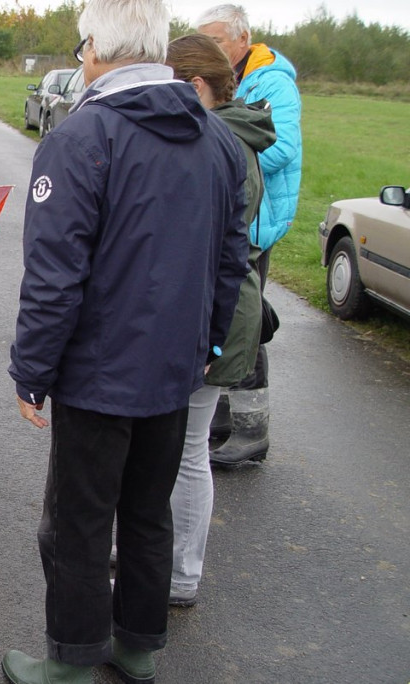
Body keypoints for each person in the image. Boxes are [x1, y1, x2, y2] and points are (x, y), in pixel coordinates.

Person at [2, 0, 250, 680]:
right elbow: (230, 262)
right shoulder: (218, 141)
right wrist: (208, 345)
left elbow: (55, 276)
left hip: (98, 375)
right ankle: (138, 645)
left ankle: (74, 662)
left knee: (80, 521)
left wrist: (32, 371)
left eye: (83, 47)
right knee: (147, 512)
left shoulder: (83, 139)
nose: (80, 60)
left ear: (98, 50)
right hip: (174, 370)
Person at [164, 33, 277, 608]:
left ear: (195, 86)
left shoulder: (221, 142)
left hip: (219, 316)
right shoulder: (239, 136)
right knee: (177, 446)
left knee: (184, 450)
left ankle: (181, 574)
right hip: (225, 308)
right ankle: (164, 556)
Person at [197, 4, 303, 465]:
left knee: (246, 315)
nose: (211, 49)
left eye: (217, 41)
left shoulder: (271, 80)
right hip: (233, 212)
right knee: (221, 312)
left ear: (242, 39)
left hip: (254, 219)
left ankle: (250, 428)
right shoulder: (229, 77)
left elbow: (281, 147)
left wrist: (224, 155)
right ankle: (217, 416)